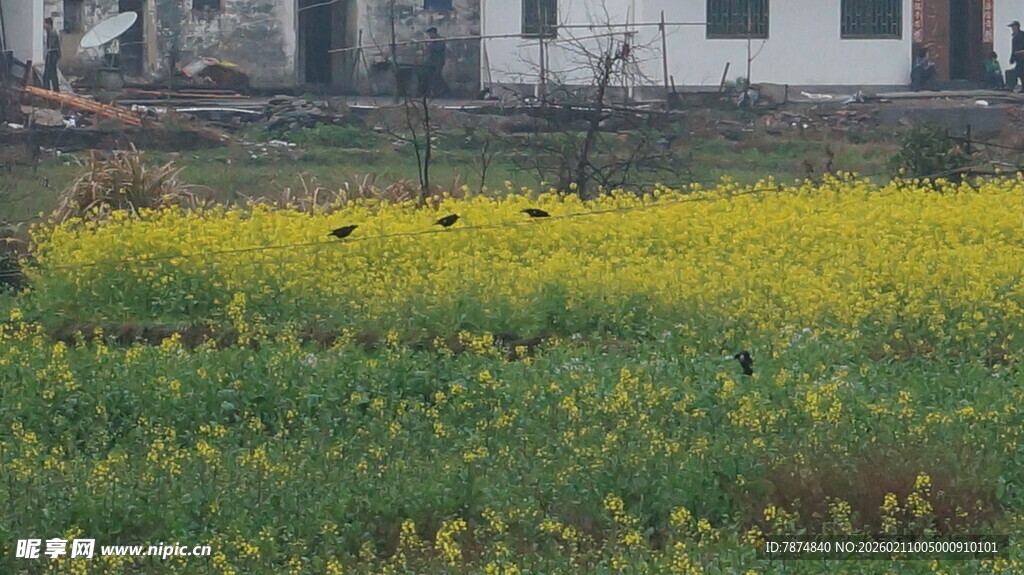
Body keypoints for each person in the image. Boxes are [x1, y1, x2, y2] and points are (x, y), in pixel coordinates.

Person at [419, 27, 448, 97]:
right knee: (431, 77)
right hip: (431, 62)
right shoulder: (431, 40)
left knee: (436, 77)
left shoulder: (440, 40)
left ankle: (439, 92)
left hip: (438, 61)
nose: (429, 36)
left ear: (433, 33)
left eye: (430, 34)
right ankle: (432, 92)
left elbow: (438, 49)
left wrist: (429, 46)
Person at [42, 17, 62, 92]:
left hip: (52, 55)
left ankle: (48, 91)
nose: (44, 26)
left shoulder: (52, 33)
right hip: (52, 55)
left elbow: (51, 46)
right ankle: (53, 91)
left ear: (49, 24)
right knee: (51, 75)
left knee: (49, 75)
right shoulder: (50, 32)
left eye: (45, 24)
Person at [1009, 21, 1024, 91]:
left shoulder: (1022, 35)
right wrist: (1012, 58)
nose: (1012, 28)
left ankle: (1011, 86)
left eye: (1013, 27)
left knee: (1019, 72)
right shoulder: (1014, 37)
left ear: (1017, 27)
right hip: (1018, 58)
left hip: (1022, 56)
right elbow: (1013, 49)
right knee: (1020, 73)